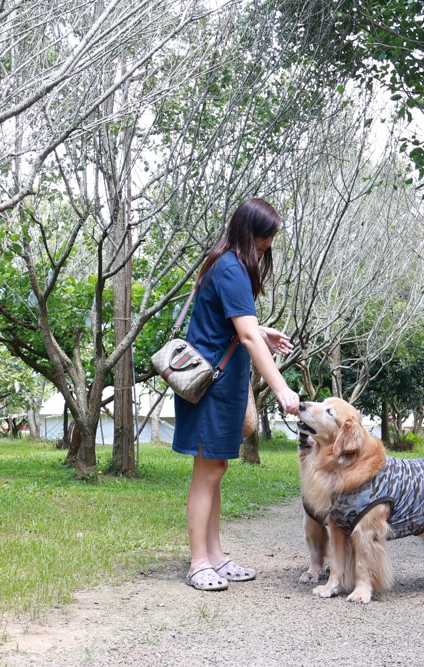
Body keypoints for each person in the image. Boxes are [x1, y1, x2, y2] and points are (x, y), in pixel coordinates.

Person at [172, 197, 301, 592]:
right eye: (266, 237)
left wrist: (263, 331)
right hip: (210, 387)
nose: (269, 245)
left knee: (216, 469)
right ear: (251, 233)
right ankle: (198, 563)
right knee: (206, 472)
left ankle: (215, 556)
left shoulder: (225, 263)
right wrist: (281, 388)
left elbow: (231, 324)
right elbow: (245, 335)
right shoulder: (231, 268)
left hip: (219, 384)